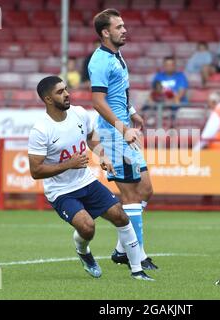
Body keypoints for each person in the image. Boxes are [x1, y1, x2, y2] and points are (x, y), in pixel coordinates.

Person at [28, 76, 153, 281]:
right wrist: (69, 164)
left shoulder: (79, 114)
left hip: (86, 181)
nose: (67, 94)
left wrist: (102, 156)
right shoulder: (41, 130)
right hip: (61, 191)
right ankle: (83, 252)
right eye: (60, 92)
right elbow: (36, 171)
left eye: (66, 89)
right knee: (87, 227)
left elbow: (91, 137)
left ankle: (137, 270)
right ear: (48, 99)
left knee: (120, 215)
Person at [88, 9, 158, 270]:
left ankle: (121, 250)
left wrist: (132, 113)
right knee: (130, 196)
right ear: (105, 32)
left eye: (124, 25)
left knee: (146, 189)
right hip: (113, 135)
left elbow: (118, 93)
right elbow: (97, 101)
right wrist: (122, 128)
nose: (124, 30)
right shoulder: (99, 61)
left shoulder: (117, 56)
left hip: (123, 130)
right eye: (119, 27)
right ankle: (136, 256)